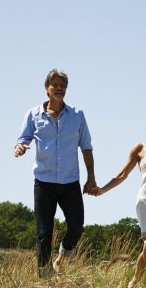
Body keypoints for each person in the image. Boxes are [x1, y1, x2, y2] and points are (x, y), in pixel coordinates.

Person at [14, 69, 97, 275]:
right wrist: (20, 147)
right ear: (47, 89)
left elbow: (86, 147)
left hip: (70, 183)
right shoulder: (33, 114)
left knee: (76, 227)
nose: (59, 89)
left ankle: (63, 254)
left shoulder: (77, 115)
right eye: (55, 85)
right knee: (44, 232)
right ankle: (44, 276)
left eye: (63, 86)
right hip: (44, 182)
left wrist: (91, 177)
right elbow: (23, 138)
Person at [94, 110, 146, 288]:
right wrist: (102, 190)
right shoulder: (140, 149)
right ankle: (141, 283)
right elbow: (123, 174)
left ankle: (139, 282)